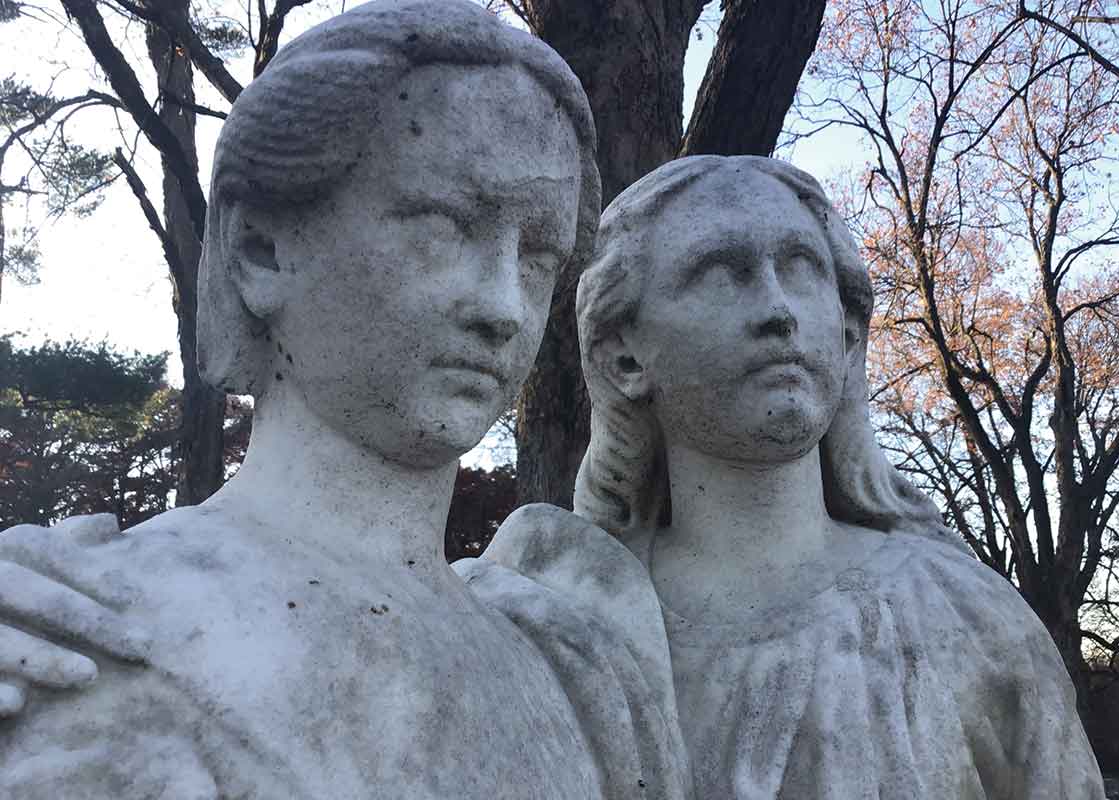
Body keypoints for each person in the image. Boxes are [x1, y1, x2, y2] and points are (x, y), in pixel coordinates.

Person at [0, 2, 689, 797]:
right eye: (440, 225)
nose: (502, 305)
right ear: (261, 251)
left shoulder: (570, 669)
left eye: (537, 254)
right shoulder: (83, 632)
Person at [558, 154, 1106, 798]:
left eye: (801, 269)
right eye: (719, 275)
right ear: (624, 354)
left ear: (848, 336)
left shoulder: (968, 618)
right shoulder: (570, 622)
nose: (777, 310)